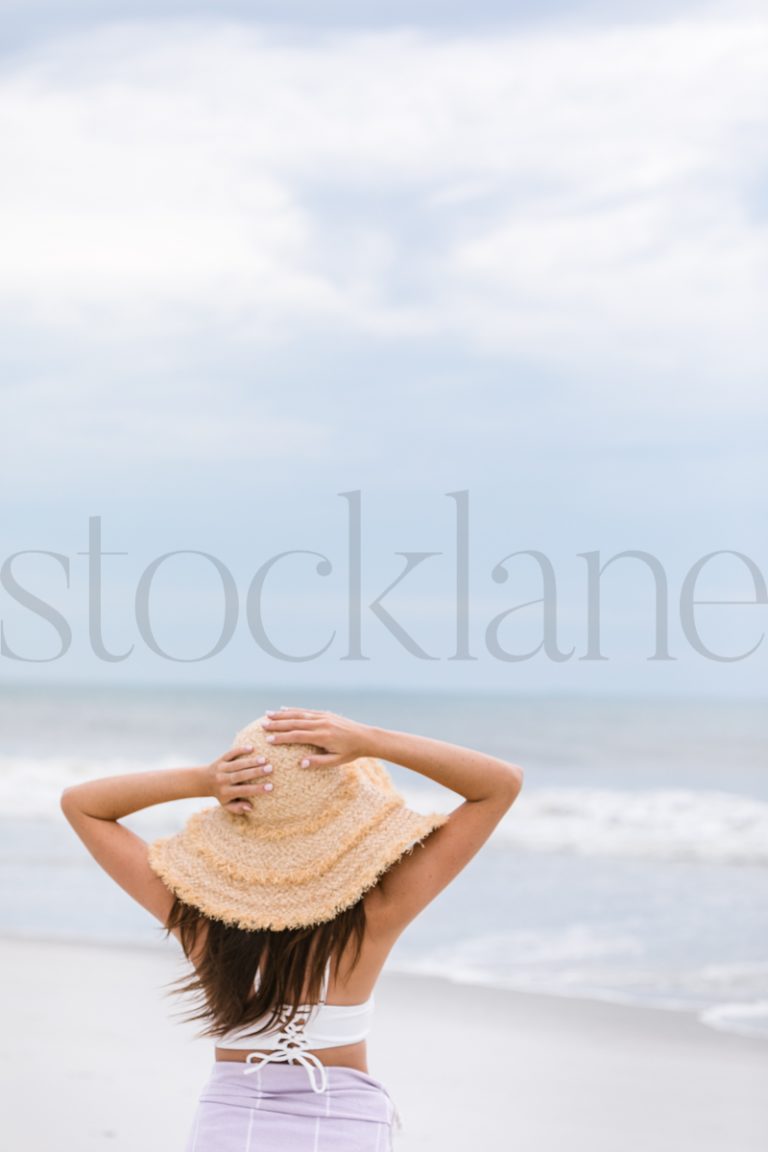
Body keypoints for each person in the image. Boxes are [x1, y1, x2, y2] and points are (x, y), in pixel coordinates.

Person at [60, 705, 524, 1150]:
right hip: (346, 1120)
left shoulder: (197, 914)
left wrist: (206, 780)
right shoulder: (379, 909)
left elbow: (83, 805)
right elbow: (500, 783)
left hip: (233, 1119)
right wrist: (370, 740)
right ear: (347, 821)